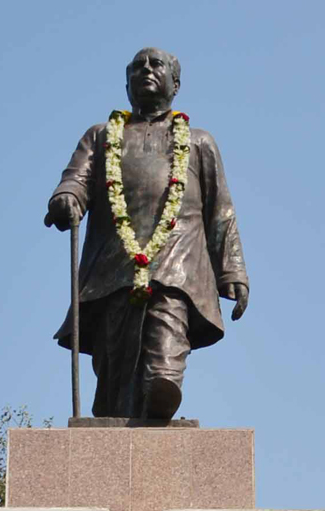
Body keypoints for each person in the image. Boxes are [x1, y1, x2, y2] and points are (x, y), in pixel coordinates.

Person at [46, 46, 248, 420]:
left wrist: (232, 270)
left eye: (156, 65)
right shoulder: (102, 136)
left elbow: (220, 209)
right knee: (114, 361)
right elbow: (76, 179)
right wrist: (67, 197)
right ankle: (121, 413)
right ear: (126, 85)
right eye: (137, 67)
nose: (146, 70)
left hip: (178, 261)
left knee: (167, 333)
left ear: (176, 83)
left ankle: (163, 384)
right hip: (113, 266)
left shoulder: (198, 141)